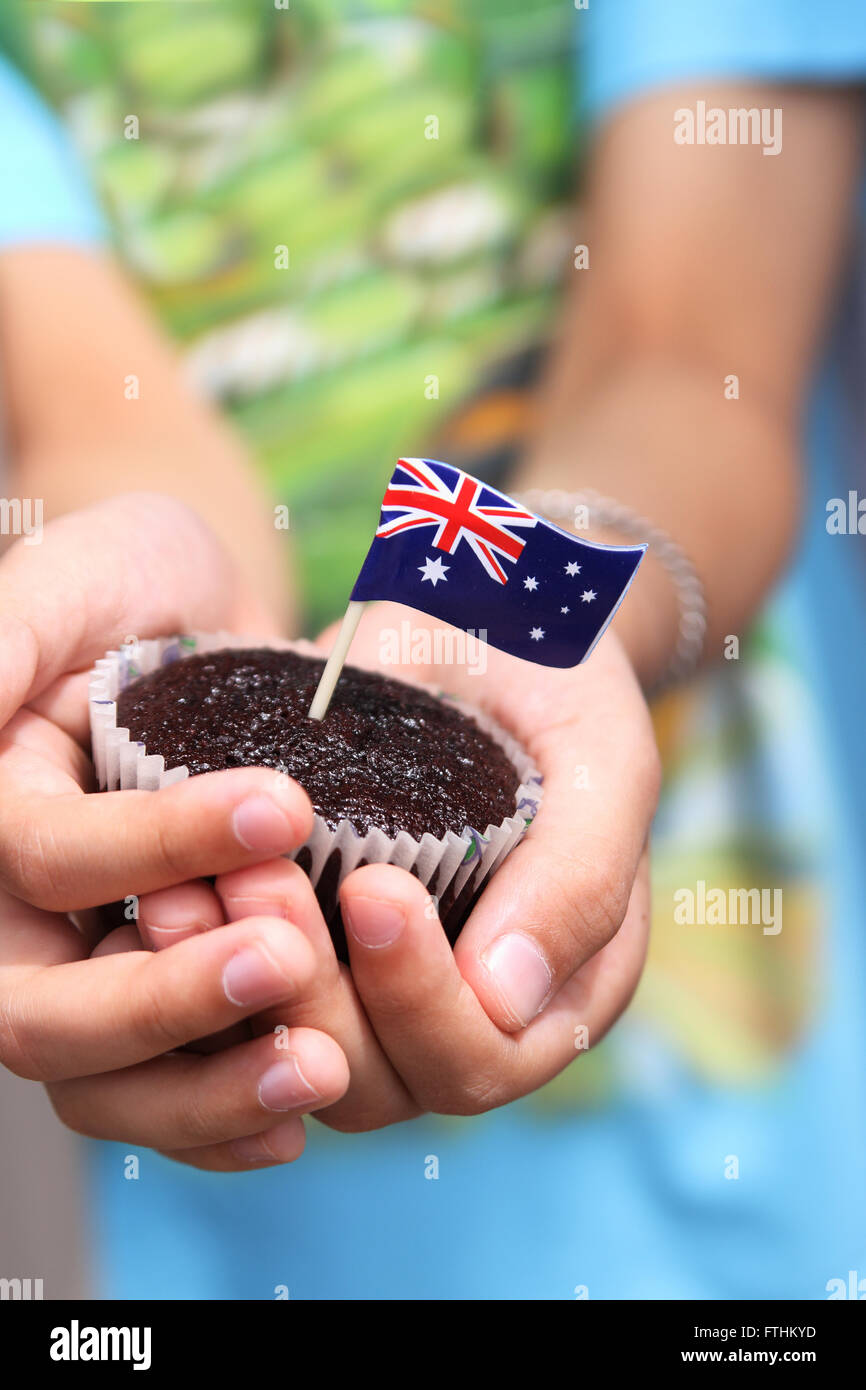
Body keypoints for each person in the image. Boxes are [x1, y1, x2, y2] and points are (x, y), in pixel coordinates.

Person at [0, 1, 864, 1298]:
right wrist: (120, 589)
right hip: (240, 1231)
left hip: (745, 1193)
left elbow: (688, 360)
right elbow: (101, 414)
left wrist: (533, 602)